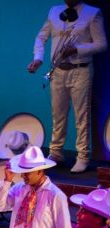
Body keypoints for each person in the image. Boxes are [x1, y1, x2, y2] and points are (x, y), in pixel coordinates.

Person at [28, 0, 107, 173]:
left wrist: (77, 49)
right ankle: (56, 153)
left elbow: (102, 43)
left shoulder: (93, 13)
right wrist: (38, 58)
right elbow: (41, 37)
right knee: (58, 114)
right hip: (58, 70)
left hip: (81, 70)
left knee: (82, 116)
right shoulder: (54, 11)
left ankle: (83, 156)